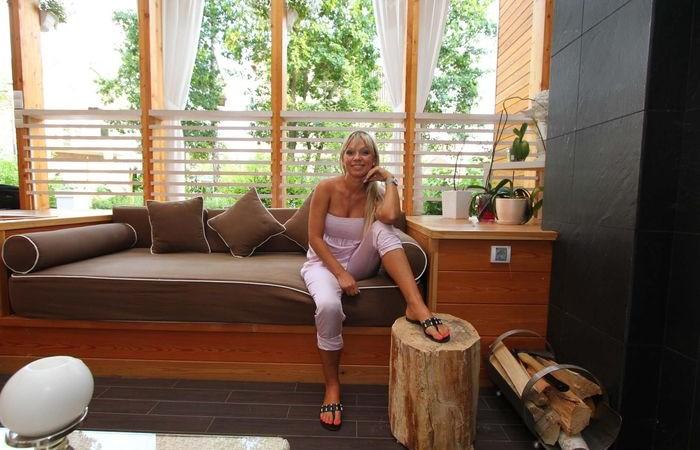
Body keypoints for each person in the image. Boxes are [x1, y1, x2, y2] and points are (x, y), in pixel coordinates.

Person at [301, 130, 451, 431]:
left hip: (359, 262)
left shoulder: (377, 194)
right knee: (328, 306)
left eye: (365, 152)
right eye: (351, 152)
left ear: (374, 160)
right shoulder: (326, 188)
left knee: (383, 227)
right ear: (343, 158)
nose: (357, 157)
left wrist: (390, 179)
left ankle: (416, 306)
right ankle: (332, 386)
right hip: (323, 264)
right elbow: (314, 238)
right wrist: (340, 274)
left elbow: (392, 216)